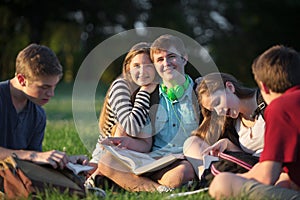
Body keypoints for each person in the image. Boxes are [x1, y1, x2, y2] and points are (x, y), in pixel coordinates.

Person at [97, 34, 200, 192]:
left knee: (181, 174)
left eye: (171, 57)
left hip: (180, 160)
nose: (166, 63)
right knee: (106, 162)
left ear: (184, 58)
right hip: (151, 160)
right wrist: (126, 143)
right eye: (159, 60)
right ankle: (158, 189)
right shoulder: (146, 96)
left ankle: (134, 183)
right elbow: (143, 140)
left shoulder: (200, 92)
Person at [209, 45, 300, 199]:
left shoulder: (279, 107)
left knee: (223, 183)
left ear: (264, 87)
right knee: (284, 183)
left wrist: (236, 179)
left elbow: (267, 176)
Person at [0, 43, 88, 169]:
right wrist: (33, 156)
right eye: (44, 87)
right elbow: (32, 156)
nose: (51, 94)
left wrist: (66, 161)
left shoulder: (38, 114)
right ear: (21, 80)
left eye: (54, 86)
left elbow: (34, 159)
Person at [86, 42, 157, 183]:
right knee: (122, 128)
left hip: (138, 151)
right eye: (136, 66)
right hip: (108, 152)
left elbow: (147, 141)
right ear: (127, 68)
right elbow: (131, 127)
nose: (142, 71)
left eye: (148, 65)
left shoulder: (155, 92)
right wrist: (144, 92)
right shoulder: (121, 86)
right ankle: (97, 175)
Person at [183, 72, 266, 179]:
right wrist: (227, 144)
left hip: (273, 167)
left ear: (230, 87)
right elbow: (248, 158)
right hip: (251, 167)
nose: (219, 112)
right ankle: (206, 178)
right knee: (192, 142)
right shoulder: (231, 122)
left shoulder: (266, 100)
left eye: (217, 102)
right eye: (213, 110)